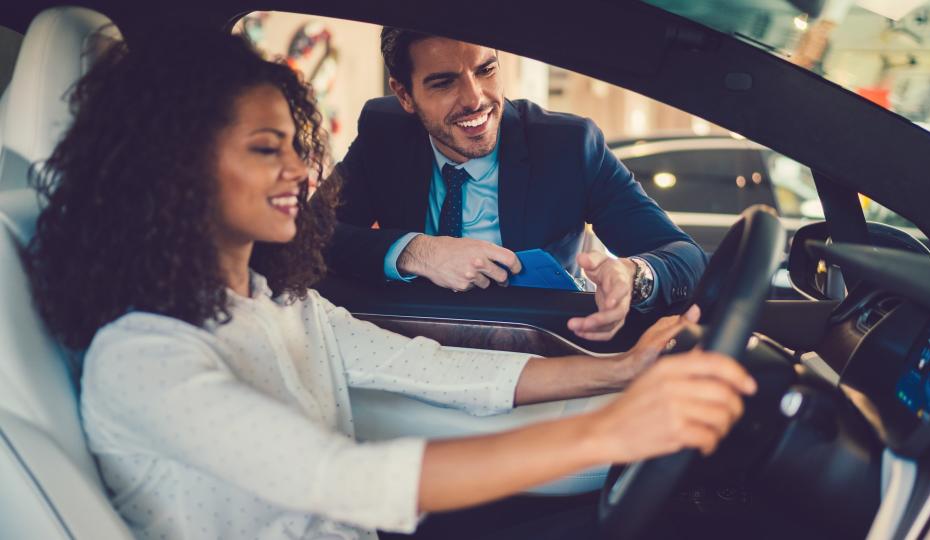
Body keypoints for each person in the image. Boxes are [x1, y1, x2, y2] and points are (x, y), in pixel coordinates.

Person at [27, 27, 754, 540]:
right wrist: (612, 429)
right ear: (174, 169)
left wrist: (619, 370)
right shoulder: (142, 357)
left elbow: (431, 365)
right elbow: (339, 475)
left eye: (295, 146)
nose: (301, 173)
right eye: (264, 149)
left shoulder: (279, 303)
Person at [323, 27, 708, 342]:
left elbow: (685, 256)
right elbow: (312, 235)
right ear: (405, 94)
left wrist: (633, 276)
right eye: (444, 83)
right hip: (406, 347)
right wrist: (418, 252)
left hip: (534, 348)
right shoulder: (383, 131)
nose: (476, 99)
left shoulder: (569, 146)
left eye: (486, 70)